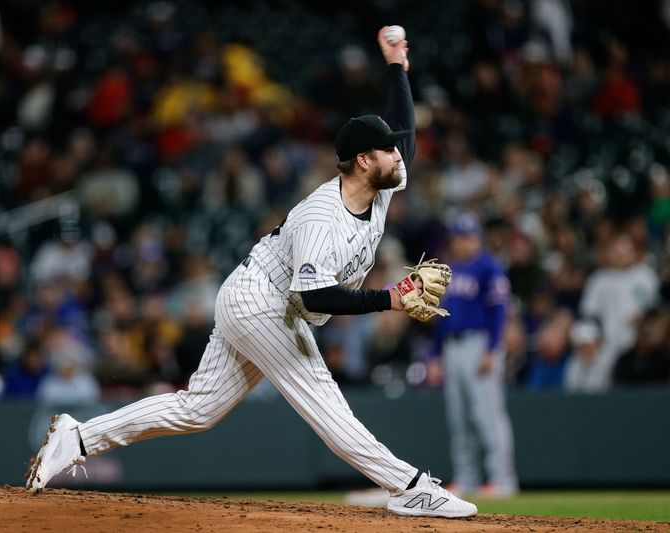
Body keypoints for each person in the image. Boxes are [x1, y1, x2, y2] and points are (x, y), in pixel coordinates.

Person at [26, 27, 477, 519]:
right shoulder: (321, 218)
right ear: (364, 161)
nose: (399, 154)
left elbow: (405, 136)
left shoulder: (380, 184)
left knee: (197, 410)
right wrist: (387, 299)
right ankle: (409, 485)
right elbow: (317, 297)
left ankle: (77, 437)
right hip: (262, 300)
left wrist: (397, 68)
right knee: (324, 400)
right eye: (387, 150)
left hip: (268, 299)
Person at [429, 211, 519, 497]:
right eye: (459, 237)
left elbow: (499, 311)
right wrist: (434, 356)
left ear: (477, 238)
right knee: (459, 418)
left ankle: (501, 479)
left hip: (479, 343)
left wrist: (492, 349)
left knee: (488, 415)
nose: (464, 242)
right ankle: (466, 478)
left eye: (468, 236)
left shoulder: (489, 267)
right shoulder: (448, 272)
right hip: (452, 348)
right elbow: (440, 317)